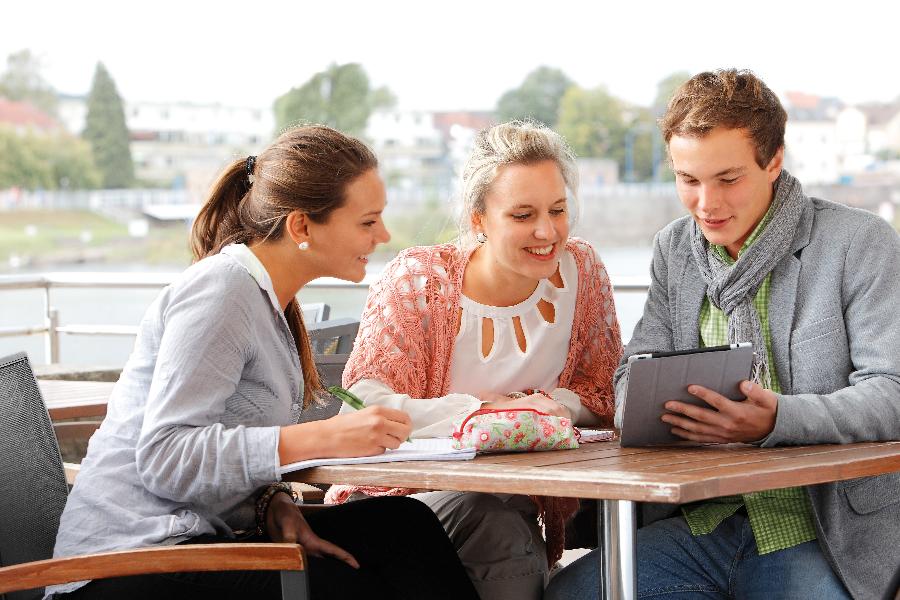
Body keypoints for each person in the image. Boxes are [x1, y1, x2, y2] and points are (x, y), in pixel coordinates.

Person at [45, 125, 480, 600]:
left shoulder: (268, 302)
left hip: (197, 541)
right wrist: (317, 438)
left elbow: (226, 436)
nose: (384, 235)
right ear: (301, 227)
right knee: (348, 587)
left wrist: (273, 501)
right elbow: (164, 456)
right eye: (367, 221)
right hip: (123, 566)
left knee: (402, 526)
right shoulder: (221, 292)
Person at [545, 69, 900, 600]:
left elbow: (892, 390)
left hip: (821, 531)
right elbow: (634, 368)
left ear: (774, 160)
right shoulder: (676, 248)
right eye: (688, 180)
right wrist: (639, 404)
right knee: (572, 594)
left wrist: (777, 418)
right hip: (705, 522)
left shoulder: (858, 242)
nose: (706, 204)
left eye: (728, 179)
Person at [323, 120, 623, 600]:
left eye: (558, 210)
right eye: (523, 214)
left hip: (516, 505)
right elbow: (361, 404)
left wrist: (549, 406)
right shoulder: (422, 281)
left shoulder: (580, 270)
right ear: (479, 218)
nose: (547, 231)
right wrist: (479, 413)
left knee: (514, 529)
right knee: (500, 530)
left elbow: (607, 390)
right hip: (408, 501)